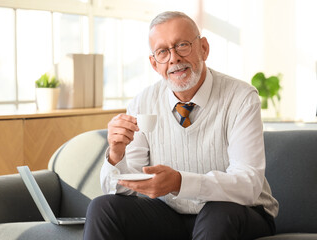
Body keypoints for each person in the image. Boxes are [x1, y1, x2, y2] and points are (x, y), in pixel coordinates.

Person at [83, 11, 279, 240]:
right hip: (171, 215)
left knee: (217, 212)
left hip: (239, 212)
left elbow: (248, 185)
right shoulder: (142, 102)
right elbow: (124, 188)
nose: (174, 58)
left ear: (204, 48)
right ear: (154, 63)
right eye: (163, 52)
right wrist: (117, 155)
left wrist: (180, 182)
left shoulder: (241, 97)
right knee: (102, 208)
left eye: (182, 45)